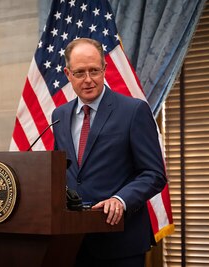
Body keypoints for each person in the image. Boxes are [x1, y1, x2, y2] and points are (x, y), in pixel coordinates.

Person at [52, 38, 167, 266]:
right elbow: (62, 173)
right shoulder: (59, 115)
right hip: (71, 242)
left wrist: (121, 199)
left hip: (120, 242)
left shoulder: (133, 111)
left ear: (105, 69)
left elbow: (154, 174)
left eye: (94, 71)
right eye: (79, 72)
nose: (88, 80)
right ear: (67, 74)